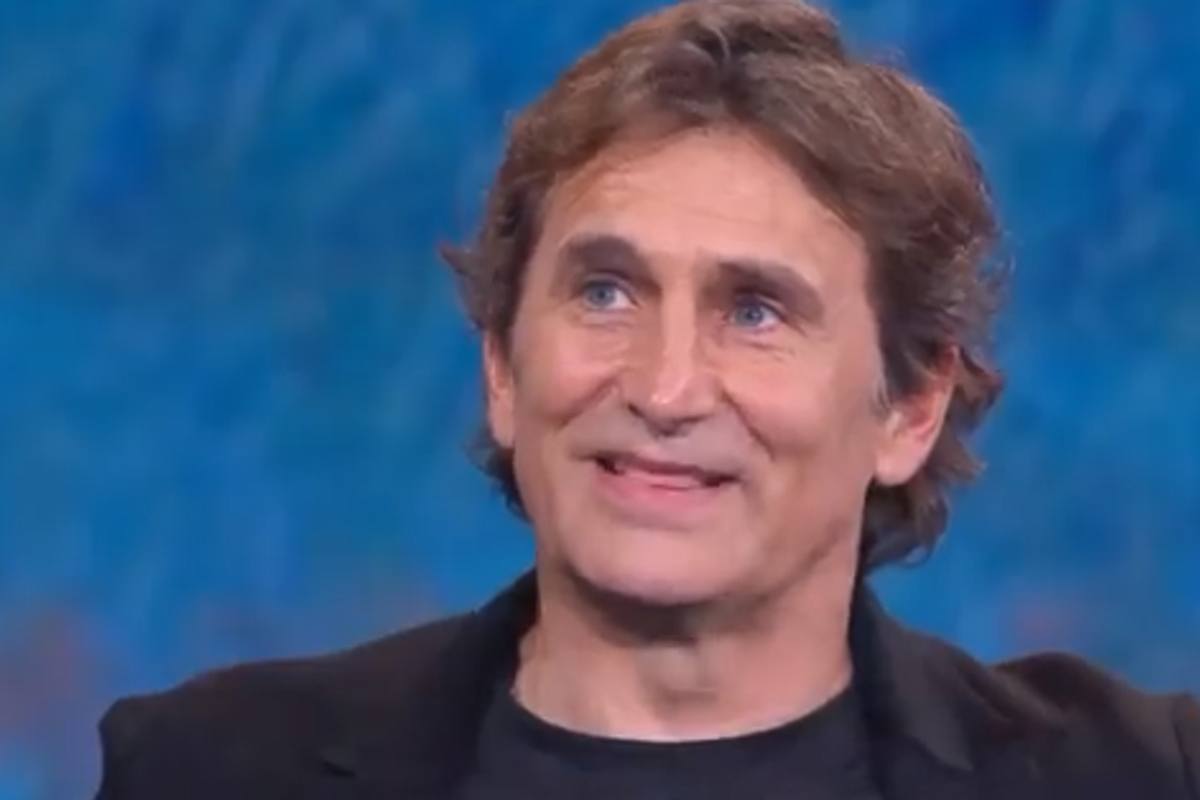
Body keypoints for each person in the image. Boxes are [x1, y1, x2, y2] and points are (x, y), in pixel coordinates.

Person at [94, 1, 1200, 797]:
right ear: (503, 366)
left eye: (756, 311)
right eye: (605, 293)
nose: (665, 388)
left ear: (909, 407)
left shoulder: (1136, 775)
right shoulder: (208, 768)